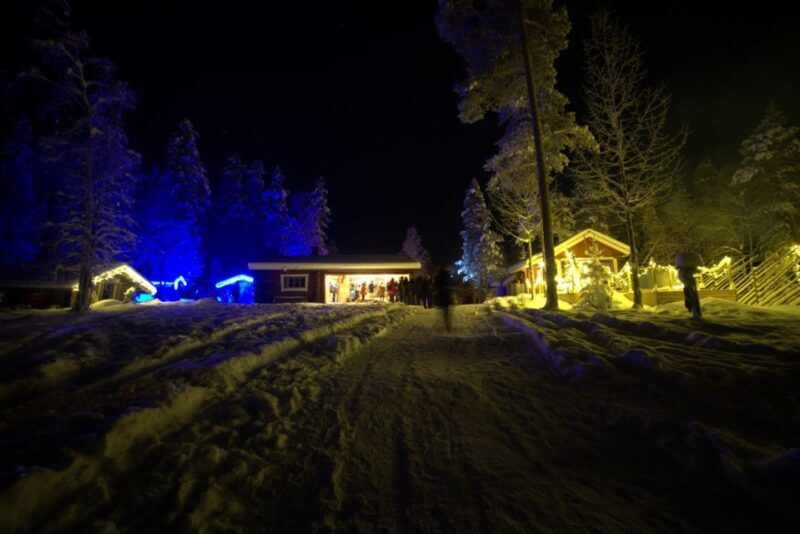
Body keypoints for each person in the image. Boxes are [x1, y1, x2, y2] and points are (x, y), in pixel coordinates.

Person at [433, 265, 452, 331]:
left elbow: (435, 285)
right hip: (445, 294)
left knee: (445, 310)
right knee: (446, 310)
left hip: (442, 294)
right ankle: (447, 323)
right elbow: (450, 283)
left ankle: (446, 322)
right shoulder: (447, 275)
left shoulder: (438, 276)